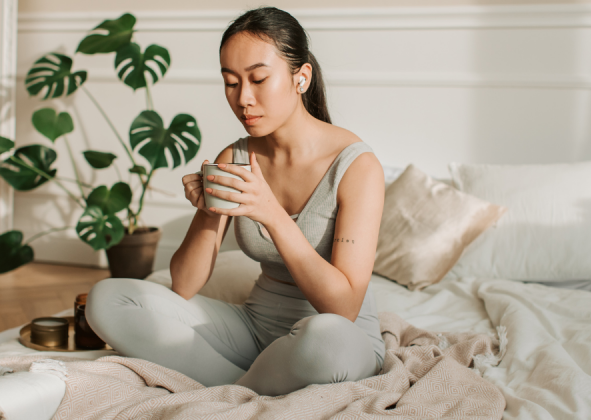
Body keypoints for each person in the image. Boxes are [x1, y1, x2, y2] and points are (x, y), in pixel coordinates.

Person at [86, 6, 386, 397]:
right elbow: (184, 285)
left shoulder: (357, 166)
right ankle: (243, 389)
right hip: (255, 330)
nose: (243, 98)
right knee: (107, 299)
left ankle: (224, 390)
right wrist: (208, 211)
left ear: (302, 78)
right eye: (230, 82)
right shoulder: (236, 157)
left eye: (259, 79)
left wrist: (273, 215)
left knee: (325, 339)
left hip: (333, 338)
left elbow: (343, 308)